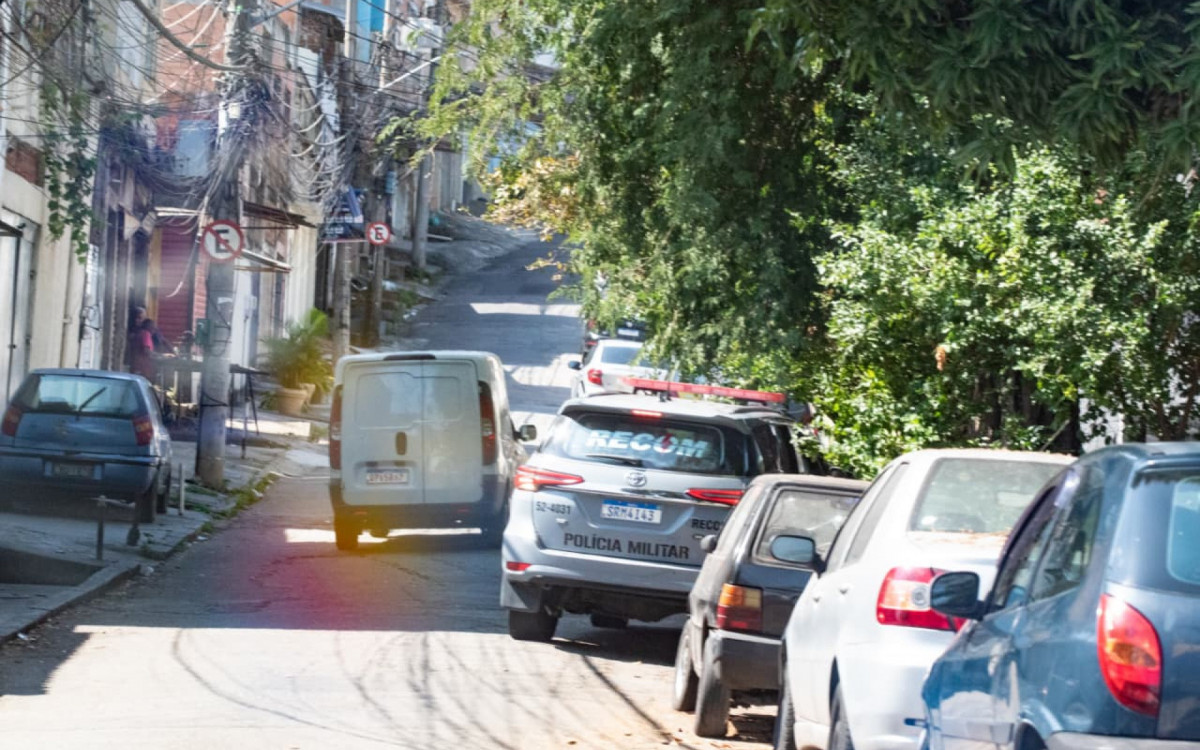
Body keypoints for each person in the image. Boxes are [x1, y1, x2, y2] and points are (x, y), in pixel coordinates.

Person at [127, 309, 155, 380]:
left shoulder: (136, 334)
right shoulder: (145, 334)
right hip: (143, 368)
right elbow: (146, 351)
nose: (137, 320)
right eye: (136, 318)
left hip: (135, 368)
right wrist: (158, 356)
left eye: (139, 318)